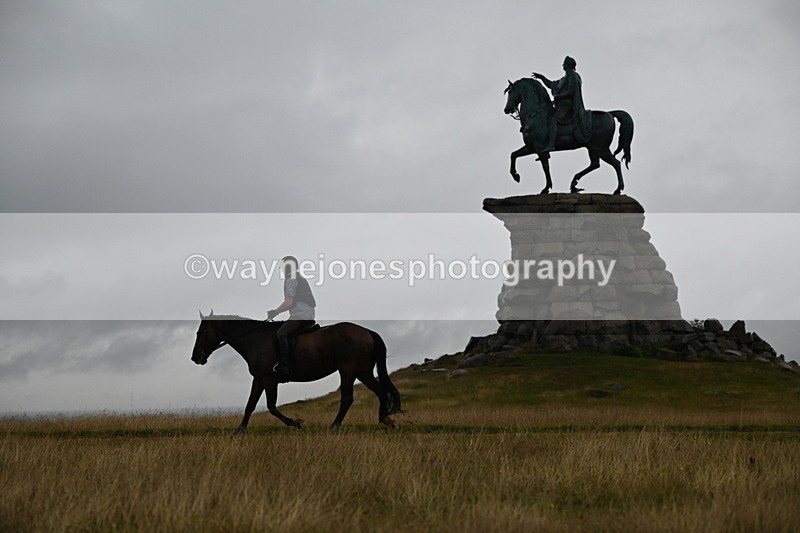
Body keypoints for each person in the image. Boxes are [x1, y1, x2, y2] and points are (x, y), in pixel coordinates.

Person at [266, 255, 316, 382]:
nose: (282, 270)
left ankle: (284, 366)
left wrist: (274, 312)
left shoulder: (290, 279)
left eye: (283, 267)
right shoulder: (299, 277)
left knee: (281, 333)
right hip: (307, 313)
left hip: (300, 314)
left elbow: (288, 302)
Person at [532, 55, 591, 146]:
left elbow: (570, 92)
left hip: (568, 106)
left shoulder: (574, 76)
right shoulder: (564, 79)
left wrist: (558, 96)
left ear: (567, 65)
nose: (562, 65)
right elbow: (552, 84)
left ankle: (551, 144)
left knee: (553, 120)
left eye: (564, 63)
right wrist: (542, 78)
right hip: (562, 105)